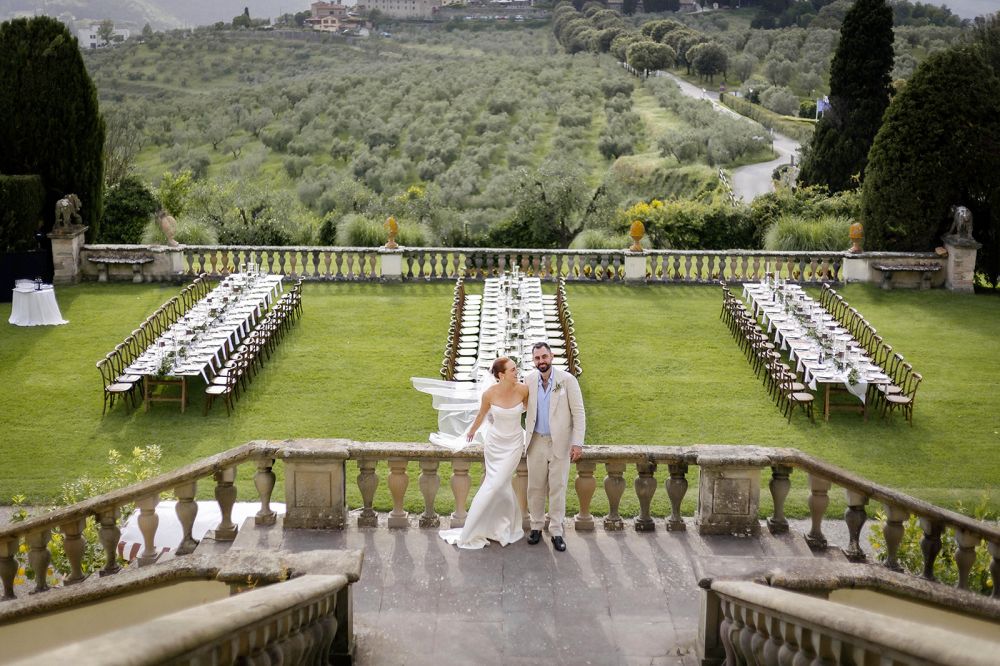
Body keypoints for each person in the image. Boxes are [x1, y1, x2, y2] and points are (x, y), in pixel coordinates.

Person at [439, 357, 527, 549]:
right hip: (494, 445)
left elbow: (532, 411)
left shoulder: (523, 389)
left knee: (496, 485)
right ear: (501, 375)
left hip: (514, 444)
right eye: (512, 370)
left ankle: (495, 526)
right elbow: (481, 415)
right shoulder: (489, 394)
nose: (516, 372)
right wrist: (471, 431)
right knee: (497, 486)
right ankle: (491, 527)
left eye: (516, 368)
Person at [524, 342, 585, 552]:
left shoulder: (567, 381)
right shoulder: (529, 380)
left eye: (544, 357)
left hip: (560, 443)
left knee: (558, 488)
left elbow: (578, 413)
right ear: (533, 361)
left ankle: (557, 531)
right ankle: (536, 527)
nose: (541, 361)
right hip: (536, 442)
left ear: (551, 356)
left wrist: (577, 442)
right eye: (537, 358)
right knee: (535, 488)